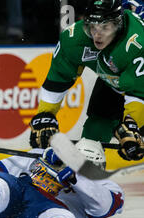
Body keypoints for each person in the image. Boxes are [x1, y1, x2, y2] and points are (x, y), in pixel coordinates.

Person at [29, 0, 144, 162]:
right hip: (115, 82)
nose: (97, 34)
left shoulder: (137, 42)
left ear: (118, 25)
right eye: (93, 26)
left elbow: (139, 93)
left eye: (104, 27)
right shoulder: (74, 39)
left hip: (139, 86)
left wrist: (133, 125)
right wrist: (45, 115)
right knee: (95, 128)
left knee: (132, 134)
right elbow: (58, 80)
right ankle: (85, 174)